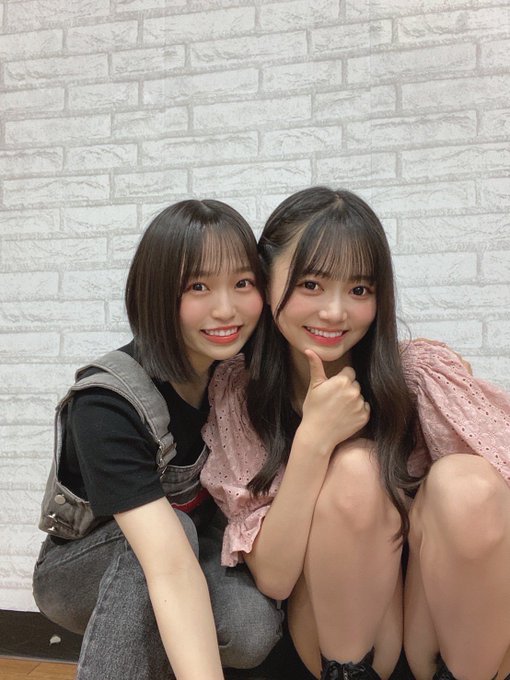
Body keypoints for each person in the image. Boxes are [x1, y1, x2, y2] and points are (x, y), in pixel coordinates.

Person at [199, 187, 510, 680]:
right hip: (341, 640)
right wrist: (315, 440)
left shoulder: (418, 375)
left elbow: (488, 508)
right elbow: (275, 577)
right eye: (311, 284)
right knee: (356, 471)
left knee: (468, 483)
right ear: (265, 282)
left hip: (442, 632)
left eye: (360, 290)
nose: (335, 312)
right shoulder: (242, 391)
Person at [32, 199, 283, 680]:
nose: (225, 308)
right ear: (157, 293)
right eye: (198, 286)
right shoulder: (108, 402)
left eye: (242, 283)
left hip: (191, 547)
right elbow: (167, 563)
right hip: (80, 566)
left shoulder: (237, 375)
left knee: (250, 629)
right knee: (169, 540)